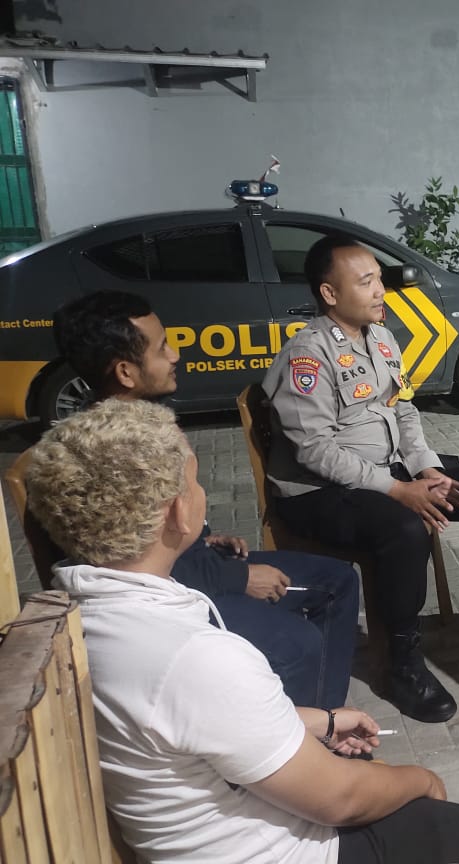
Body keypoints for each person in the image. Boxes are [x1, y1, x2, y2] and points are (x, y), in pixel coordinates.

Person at [24, 399, 459, 864]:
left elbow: (190, 723)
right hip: (287, 850)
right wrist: (421, 781)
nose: (202, 493)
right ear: (176, 514)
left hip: (219, 817)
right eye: (195, 482)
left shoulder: (80, 612)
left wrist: (318, 720)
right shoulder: (194, 656)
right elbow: (341, 800)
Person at [50, 290, 360, 710]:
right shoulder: (117, 452)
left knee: (339, 579)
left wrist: (203, 537)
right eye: (162, 347)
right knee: (299, 643)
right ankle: (310, 732)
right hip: (174, 592)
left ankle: (322, 716)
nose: (175, 355)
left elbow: (149, 536)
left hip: (193, 563)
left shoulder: (123, 427)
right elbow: (132, 569)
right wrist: (239, 578)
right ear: (125, 371)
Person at [262, 234, 459, 724]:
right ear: (330, 293)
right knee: (403, 529)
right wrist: (398, 489)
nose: (380, 291)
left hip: (387, 469)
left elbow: (403, 409)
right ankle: (401, 666)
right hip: (317, 492)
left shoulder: (381, 338)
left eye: (379, 279)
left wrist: (426, 467)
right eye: (365, 282)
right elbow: (314, 451)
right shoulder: (307, 354)